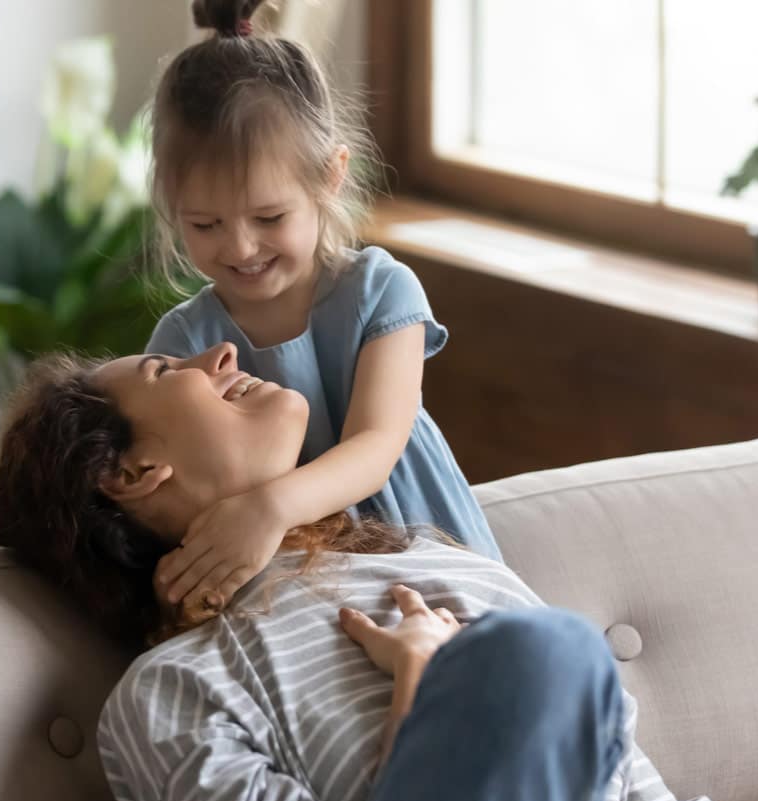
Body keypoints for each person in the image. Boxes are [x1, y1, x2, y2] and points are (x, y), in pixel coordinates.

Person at [0, 343, 743, 801]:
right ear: (128, 473)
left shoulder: (444, 565)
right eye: (164, 368)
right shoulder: (175, 692)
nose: (218, 352)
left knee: (547, 652)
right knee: (546, 654)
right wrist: (420, 690)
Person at [140, 0, 502, 619]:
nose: (240, 246)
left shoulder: (381, 292)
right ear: (172, 206)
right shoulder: (184, 339)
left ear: (331, 177)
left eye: (269, 217)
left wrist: (269, 506)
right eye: (205, 224)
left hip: (423, 547)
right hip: (294, 585)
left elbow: (378, 442)